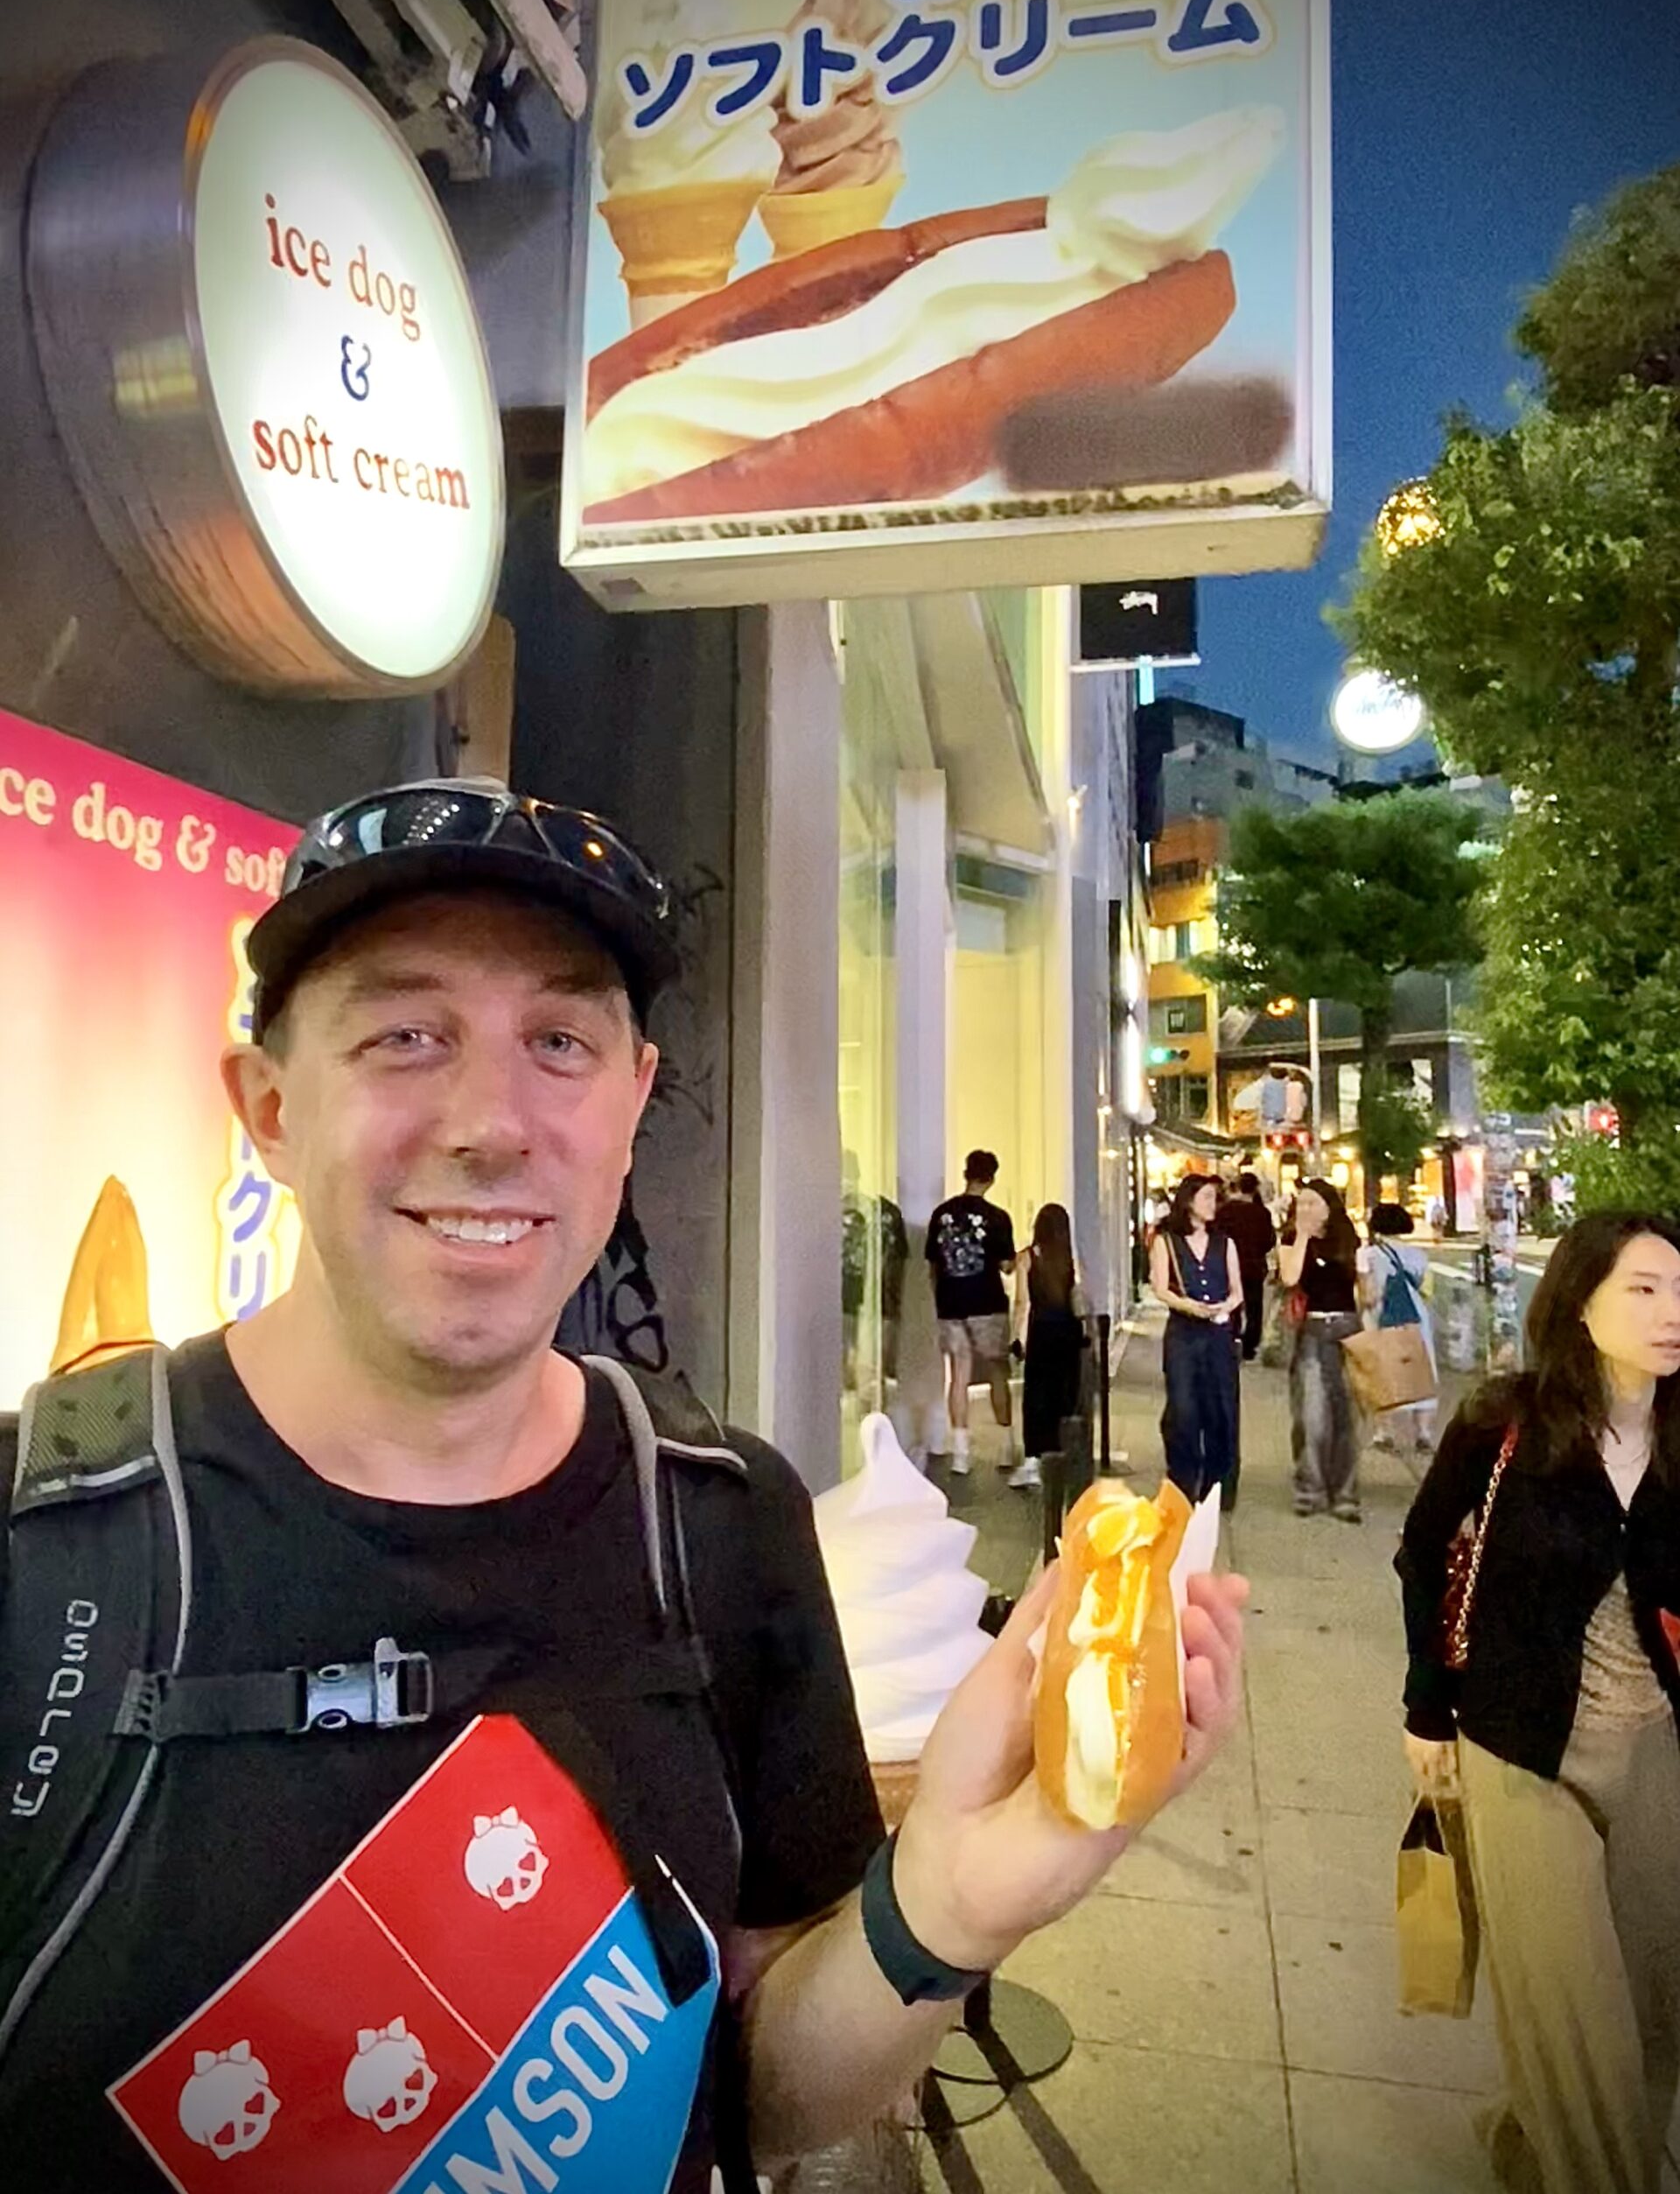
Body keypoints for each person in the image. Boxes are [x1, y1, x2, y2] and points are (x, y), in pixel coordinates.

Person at [0, 780, 1250, 2193]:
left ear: (632, 1103)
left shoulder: (722, 1519)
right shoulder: (45, 1545)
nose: (492, 1123)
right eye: (405, 1035)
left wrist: (952, 1902)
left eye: (560, 1042)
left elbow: (760, 2093)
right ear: (272, 1109)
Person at [1396, 1213, 1680, 2194]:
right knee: (1574, 2018)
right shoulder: (1504, 1424)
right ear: (1580, 1301)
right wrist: (1425, 1710)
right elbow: (1423, 1551)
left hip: (1656, 1750)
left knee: (1653, 2010)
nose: (1671, 1312)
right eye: (1644, 1288)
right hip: (1522, 1752)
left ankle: (1527, 2149)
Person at [1150, 1173, 1242, 1506]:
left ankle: (1218, 1484)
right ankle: (1182, 1480)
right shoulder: (1166, 1242)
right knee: (1183, 1407)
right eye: (1206, 1197)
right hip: (1183, 1334)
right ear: (1188, 1201)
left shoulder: (1224, 1243)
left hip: (1218, 1334)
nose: (1212, 1204)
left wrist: (1224, 1307)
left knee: (1221, 1408)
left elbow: (1237, 1291)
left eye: (1214, 1198)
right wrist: (1189, 1306)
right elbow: (1160, 1288)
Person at [926, 1150, 1018, 1478]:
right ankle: (1006, 1445)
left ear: (966, 1173)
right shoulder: (998, 1218)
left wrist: (940, 1297)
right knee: (997, 1371)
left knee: (959, 1375)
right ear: (991, 1178)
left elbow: (933, 1266)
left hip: (950, 1305)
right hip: (988, 1304)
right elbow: (1007, 1266)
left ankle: (961, 1453)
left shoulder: (941, 1214)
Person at [1278, 1177, 1362, 1519]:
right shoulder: (1291, 1239)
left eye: (1313, 1203)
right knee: (1311, 1415)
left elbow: (1363, 1290)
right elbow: (1289, 1277)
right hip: (1313, 1329)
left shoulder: (1348, 1239)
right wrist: (1302, 1235)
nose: (1306, 1208)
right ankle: (1310, 1489)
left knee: (1346, 1416)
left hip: (1348, 1328)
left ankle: (1345, 1492)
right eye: (1302, 1202)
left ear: (1330, 1207)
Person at [1010, 1203, 1088, 1494]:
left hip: (1041, 1331)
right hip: (1069, 1332)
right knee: (1064, 1394)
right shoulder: (1070, 1259)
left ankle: (1033, 1462)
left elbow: (1022, 1302)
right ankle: (1062, 1457)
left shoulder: (1027, 1257)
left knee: (1036, 1396)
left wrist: (1015, 1337)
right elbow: (1079, 1296)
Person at [1358, 1202, 1439, 1457]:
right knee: (1420, 1373)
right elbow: (1426, 1290)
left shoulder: (1368, 1255)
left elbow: (1368, 1297)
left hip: (1380, 1319)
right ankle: (1423, 1434)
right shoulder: (1418, 1255)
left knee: (1381, 1375)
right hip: (1416, 1318)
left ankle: (1385, 1433)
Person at [1220, 1170, 1278, 1363]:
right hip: (1254, 1266)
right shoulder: (1262, 1213)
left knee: (1232, 1304)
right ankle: (1250, 1346)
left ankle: (1232, 1338)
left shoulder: (1226, 1211)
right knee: (1254, 1307)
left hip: (1229, 1266)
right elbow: (1269, 1240)